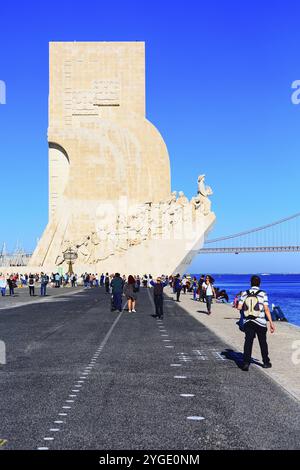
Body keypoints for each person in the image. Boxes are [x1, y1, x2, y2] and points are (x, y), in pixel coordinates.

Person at [238, 275, 275, 371]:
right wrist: (271, 322)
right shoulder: (263, 293)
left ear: (250, 283)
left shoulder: (244, 293)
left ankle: (246, 362)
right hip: (260, 322)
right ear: (259, 283)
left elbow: (239, 307)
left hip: (248, 321)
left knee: (248, 341)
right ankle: (266, 362)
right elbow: (266, 309)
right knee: (263, 342)